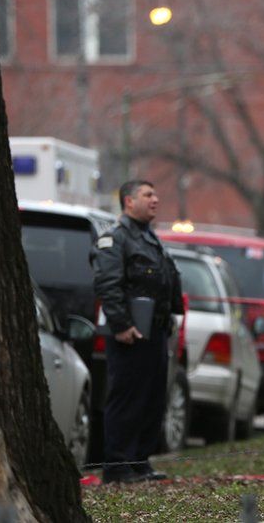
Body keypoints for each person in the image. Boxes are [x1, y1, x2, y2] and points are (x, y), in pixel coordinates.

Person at [91, 180, 183, 484]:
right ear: (129, 201)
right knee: (127, 398)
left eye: (155, 194)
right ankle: (117, 465)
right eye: (148, 195)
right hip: (129, 333)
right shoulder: (116, 239)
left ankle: (139, 462)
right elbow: (108, 284)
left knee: (153, 399)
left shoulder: (150, 238)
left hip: (154, 332)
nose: (155, 199)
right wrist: (121, 325)